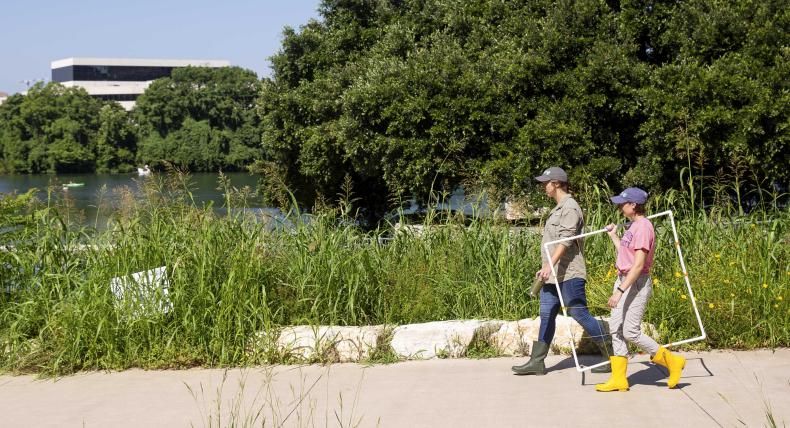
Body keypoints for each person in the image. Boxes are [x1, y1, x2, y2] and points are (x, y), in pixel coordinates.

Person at [512, 167, 611, 375]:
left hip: (569, 273)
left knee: (578, 313)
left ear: (556, 183)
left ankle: (612, 355)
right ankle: (537, 361)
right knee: (546, 314)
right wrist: (548, 268)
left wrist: (548, 265)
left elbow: (565, 240)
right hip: (552, 276)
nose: (543, 187)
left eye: (545, 183)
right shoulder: (558, 208)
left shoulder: (570, 207)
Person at [596, 187, 686, 392]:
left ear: (634, 205)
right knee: (616, 328)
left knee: (630, 331)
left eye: (623, 203)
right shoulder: (633, 227)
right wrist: (614, 236)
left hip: (634, 283)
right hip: (624, 279)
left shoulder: (644, 227)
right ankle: (619, 379)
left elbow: (637, 266)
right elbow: (626, 256)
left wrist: (619, 291)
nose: (620, 207)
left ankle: (673, 361)